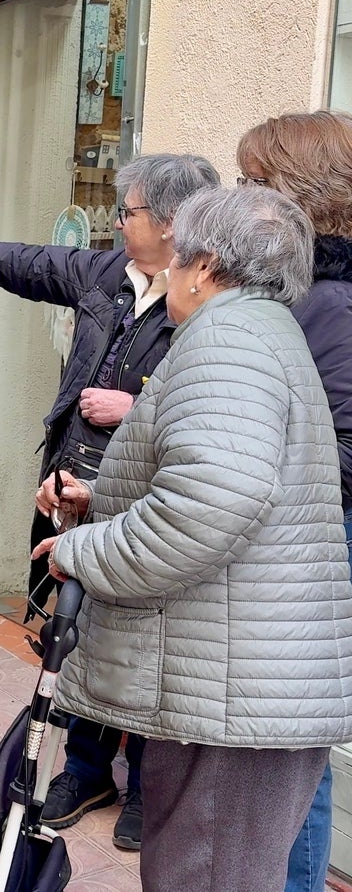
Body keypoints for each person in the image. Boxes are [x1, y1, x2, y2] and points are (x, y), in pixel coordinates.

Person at [33, 184, 352, 892]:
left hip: (231, 698)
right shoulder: (263, 333)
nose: (169, 272)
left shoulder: (228, 340)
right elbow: (232, 487)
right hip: (236, 681)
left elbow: (214, 499)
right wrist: (103, 503)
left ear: (204, 267)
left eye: (176, 259)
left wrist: (83, 550)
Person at [0, 153, 220, 850]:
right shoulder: (108, 272)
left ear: (174, 224)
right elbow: (35, 265)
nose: (118, 223)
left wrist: (139, 403)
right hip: (78, 479)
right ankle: (88, 770)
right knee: (77, 633)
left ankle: (148, 787)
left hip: (151, 493)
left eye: (130, 212)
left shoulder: (212, 294)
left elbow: (219, 399)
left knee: (151, 642)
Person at [235, 110, 352, 892]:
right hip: (299, 549)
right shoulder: (304, 292)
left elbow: (337, 457)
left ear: (296, 195)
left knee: (288, 762)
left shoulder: (332, 303)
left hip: (308, 556)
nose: (239, 197)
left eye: (250, 182)